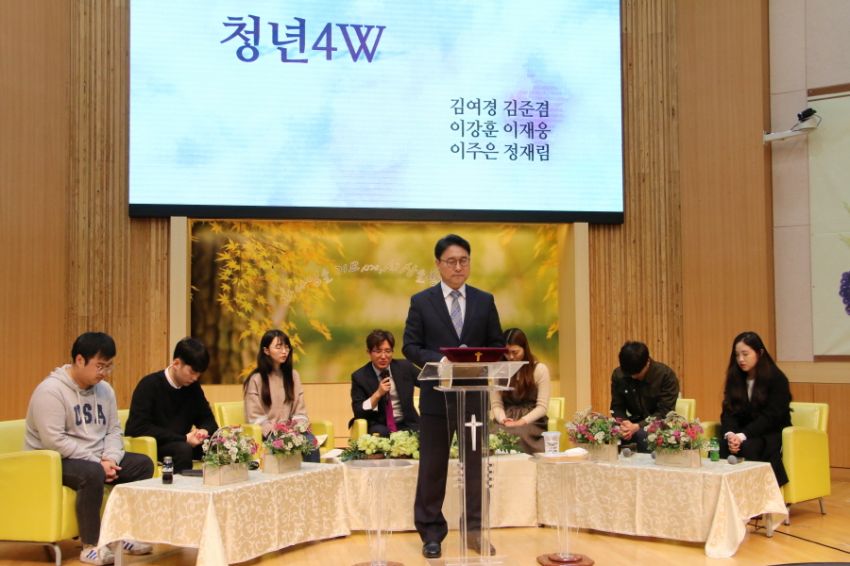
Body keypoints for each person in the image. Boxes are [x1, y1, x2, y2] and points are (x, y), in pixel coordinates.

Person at [403, 234, 504, 559]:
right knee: (432, 468)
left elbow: (497, 345)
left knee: (475, 468)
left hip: (473, 397)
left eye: (463, 260)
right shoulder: (422, 301)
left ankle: (474, 531)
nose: (458, 267)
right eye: (451, 261)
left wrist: (476, 357)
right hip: (436, 398)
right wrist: (441, 360)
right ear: (438, 264)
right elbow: (410, 346)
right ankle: (431, 534)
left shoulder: (484, 301)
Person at [24, 332, 154, 565]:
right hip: (52, 462)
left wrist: (111, 459)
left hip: (95, 458)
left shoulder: (105, 391)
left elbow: (114, 430)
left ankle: (122, 535)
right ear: (80, 360)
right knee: (92, 473)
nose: (104, 372)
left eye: (109, 366)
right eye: (100, 366)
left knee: (142, 464)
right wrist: (98, 463)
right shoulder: (50, 391)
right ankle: (91, 546)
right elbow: (54, 441)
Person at [125, 337, 218, 472]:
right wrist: (183, 438)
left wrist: (204, 431)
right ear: (176, 363)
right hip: (157, 445)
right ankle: (182, 486)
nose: (195, 378)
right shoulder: (149, 385)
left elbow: (208, 419)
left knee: (220, 445)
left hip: (181, 442)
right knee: (183, 449)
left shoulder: (193, 388)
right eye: (192, 372)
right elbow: (138, 428)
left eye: (199, 374)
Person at [720, 331, 792, 485]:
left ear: (760, 353)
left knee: (749, 447)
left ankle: (757, 492)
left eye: (745, 354)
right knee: (721, 446)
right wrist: (731, 434)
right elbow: (728, 411)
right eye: (737, 355)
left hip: (769, 432)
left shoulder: (777, 378)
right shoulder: (735, 378)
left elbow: (771, 416)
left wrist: (743, 435)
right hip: (742, 432)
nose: (740, 359)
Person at [243, 329, 320, 462]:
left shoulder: (293, 375)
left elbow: (299, 411)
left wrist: (295, 429)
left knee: (311, 442)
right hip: (268, 433)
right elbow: (255, 417)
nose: (284, 351)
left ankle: (313, 475)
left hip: (292, 430)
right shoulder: (256, 379)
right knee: (283, 443)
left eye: (287, 347)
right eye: (278, 347)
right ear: (266, 350)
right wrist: (278, 431)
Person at [609, 341, 680, 452]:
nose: (633, 377)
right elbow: (617, 406)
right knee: (606, 433)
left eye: (637, 374)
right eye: (629, 374)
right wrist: (624, 423)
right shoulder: (619, 375)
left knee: (642, 435)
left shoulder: (665, 376)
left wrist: (638, 426)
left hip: (657, 424)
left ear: (647, 362)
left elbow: (664, 412)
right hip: (631, 422)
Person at [349, 329, 420, 436]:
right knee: (382, 433)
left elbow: (427, 382)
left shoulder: (405, 367)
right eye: (378, 351)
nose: (383, 356)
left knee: (425, 434)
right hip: (379, 424)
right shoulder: (360, 377)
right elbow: (358, 411)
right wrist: (378, 394)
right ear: (369, 352)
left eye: (388, 351)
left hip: (407, 423)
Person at [491, 328, 550, 454]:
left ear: (525, 349)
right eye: (506, 353)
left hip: (532, 421)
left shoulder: (539, 369)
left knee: (519, 434)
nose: (511, 357)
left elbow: (542, 407)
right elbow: (496, 405)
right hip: (506, 418)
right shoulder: (499, 370)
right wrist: (503, 420)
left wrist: (521, 422)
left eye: (515, 352)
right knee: (493, 434)